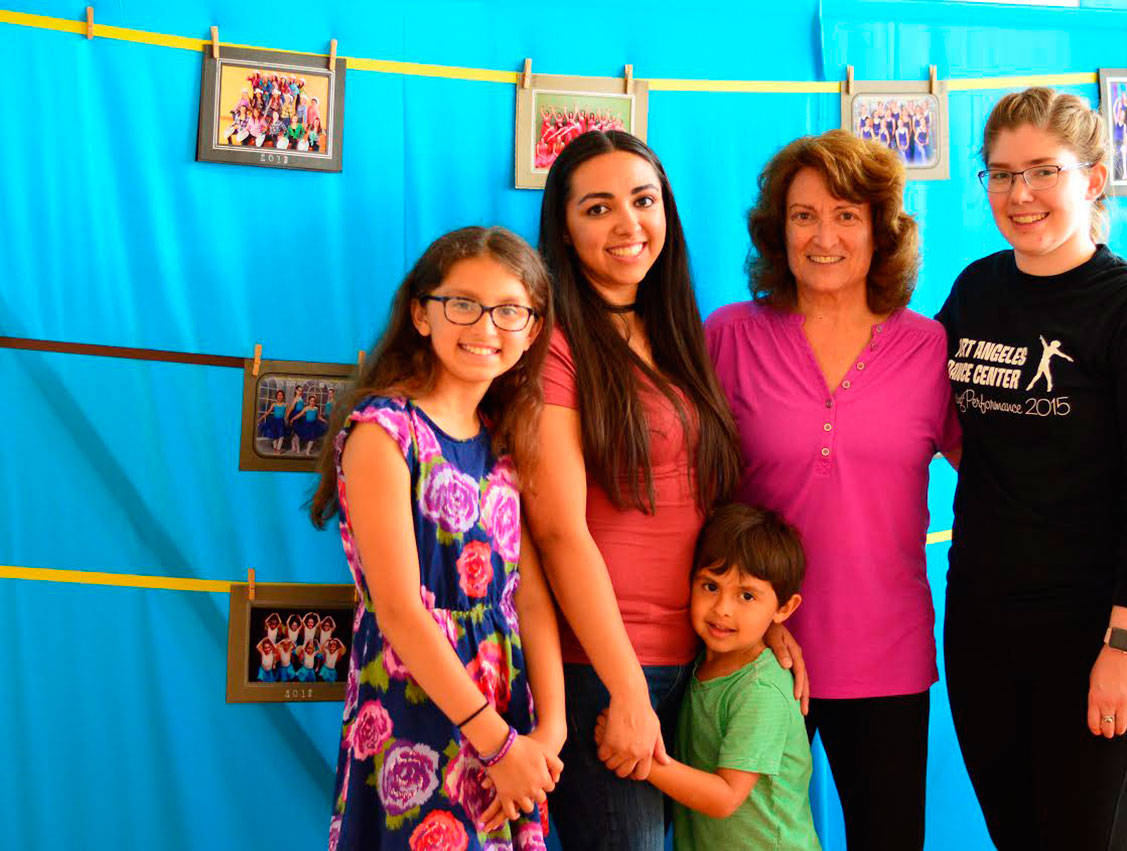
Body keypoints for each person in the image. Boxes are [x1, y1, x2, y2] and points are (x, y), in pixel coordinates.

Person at [936, 87, 1127, 850]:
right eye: (1001, 173)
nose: (1020, 194)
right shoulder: (978, 289)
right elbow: (953, 421)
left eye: (1042, 171)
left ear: (1091, 178)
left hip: (1098, 628)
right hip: (984, 622)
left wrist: (1125, 647)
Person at [705, 129, 959, 850]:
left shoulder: (928, 348)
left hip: (887, 654)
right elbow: (693, 489)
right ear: (776, 230)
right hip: (750, 652)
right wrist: (753, 617)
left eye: (847, 215)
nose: (825, 236)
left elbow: (1009, 474)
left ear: (881, 231)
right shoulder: (727, 337)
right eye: (804, 215)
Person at [311, 226, 566, 849]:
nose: (485, 327)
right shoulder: (385, 434)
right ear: (422, 314)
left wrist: (547, 735)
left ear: (532, 330)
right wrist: (495, 742)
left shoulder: (504, 439)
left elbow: (529, 598)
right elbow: (398, 609)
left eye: (509, 311)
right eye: (462, 304)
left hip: (508, 709)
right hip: (417, 704)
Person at [525, 129, 741, 849]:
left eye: (643, 201)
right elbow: (558, 530)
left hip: (698, 657)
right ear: (563, 225)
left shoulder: (677, 332)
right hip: (605, 665)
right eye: (598, 207)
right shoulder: (552, 343)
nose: (628, 224)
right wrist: (623, 688)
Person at [598, 503, 821, 850]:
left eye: (746, 595)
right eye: (710, 586)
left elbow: (726, 797)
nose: (723, 608)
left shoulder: (760, 688)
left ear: (784, 609)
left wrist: (642, 758)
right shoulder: (700, 662)